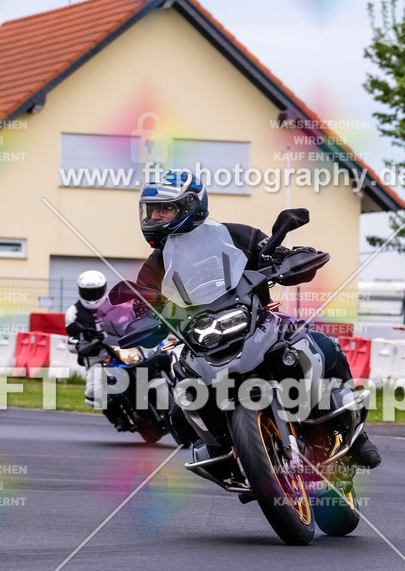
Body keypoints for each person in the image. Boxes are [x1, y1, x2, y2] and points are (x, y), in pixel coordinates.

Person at [111, 170, 381, 468]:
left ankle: (358, 434)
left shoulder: (235, 235)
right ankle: (229, 451)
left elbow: (274, 253)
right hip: (201, 343)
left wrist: (290, 258)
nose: (156, 217)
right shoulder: (155, 266)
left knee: (319, 342)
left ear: (190, 205)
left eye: (165, 208)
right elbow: (144, 307)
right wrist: (144, 319)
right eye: (152, 211)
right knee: (179, 412)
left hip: (258, 322)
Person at [65, 270, 124, 427]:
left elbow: (130, 320)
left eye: (96, 292)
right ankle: (117, 416)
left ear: (104, 289)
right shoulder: (74, 312)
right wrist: (80, 345)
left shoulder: (115, 305)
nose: (92, 297)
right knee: (93, 393)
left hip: (123, 351)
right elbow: (70, 339)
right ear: (80, 290)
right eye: (87, 292)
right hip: (96, 358)